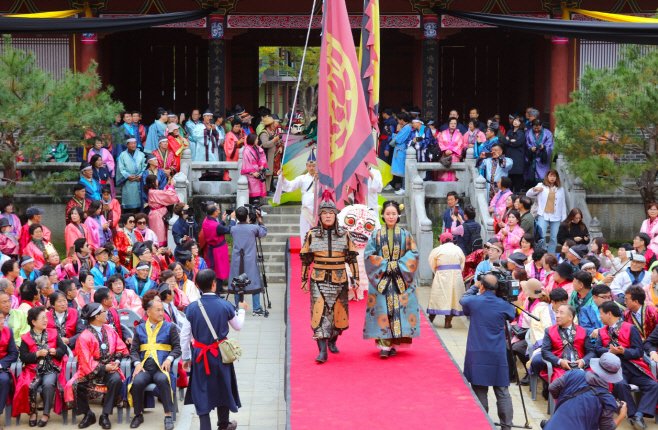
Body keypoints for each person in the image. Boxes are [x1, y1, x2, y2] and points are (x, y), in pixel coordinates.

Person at [181, 269, 245, 430]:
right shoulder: (225, 305)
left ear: (198, 286)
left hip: (199, 356)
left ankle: (205, 426)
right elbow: (238, 326)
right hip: (221, 354)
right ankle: (223, 424)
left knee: (201, 389)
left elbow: (185, 336)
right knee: (223, 386)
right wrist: (242, 309)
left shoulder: (192, 308)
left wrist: (186, 357)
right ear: (214, 284)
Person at [300, 195, 359, 362]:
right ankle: (322, 350)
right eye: (324, 213)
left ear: (335, 216)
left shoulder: (345, 235)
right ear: (319, 216)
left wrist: (355, 278)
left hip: (340, 279)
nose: (327, 216)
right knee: (319, 313)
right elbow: (306, 259)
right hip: (318, 279)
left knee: (338, 315)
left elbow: (352, 258)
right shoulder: (312, 235)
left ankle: (333, 339)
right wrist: (304, 279)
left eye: (330, 213)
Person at [364, 200, 420, 358]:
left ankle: (395, 343)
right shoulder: (376, 234)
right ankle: (384, 345)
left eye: (393, 214)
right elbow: (368, 255)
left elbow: (414, 254)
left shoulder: (405, 235)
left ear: (398, 215)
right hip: (381, 280)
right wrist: (385, 266)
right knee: (383, 310)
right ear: (382, 215)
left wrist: (397, 266)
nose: (390, 216)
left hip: (400, 279)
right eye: (387, 214)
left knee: (398, 311)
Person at [460, 273, 515, 430]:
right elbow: (512, 315)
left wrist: (474, 286)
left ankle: (483, 424)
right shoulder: (503, 304)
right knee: (502, 391)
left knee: (480, 389)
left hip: (477, 353)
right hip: (497, 353)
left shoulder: (473, 301)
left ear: (482, 286)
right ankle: (506, 426)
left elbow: (463, 299)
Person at [65, 302, 129, 430]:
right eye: (103, 311)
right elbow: (85, 361)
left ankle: (105, 415)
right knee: (76, 384)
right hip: (90, 371)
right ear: (97, 317)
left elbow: (121, 347)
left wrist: (116, 360)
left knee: (116, 380)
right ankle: (88, 414)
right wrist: (104, 368)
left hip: (110, 367)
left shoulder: (110, 330)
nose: (106, 312)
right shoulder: (84, 336)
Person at [596, 301, 658, 429]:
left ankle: (638, 415)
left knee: (653, 385)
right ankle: (634, 414)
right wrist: (610, 351)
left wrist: (624, 351)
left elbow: (639, 351)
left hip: (633, 366)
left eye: (601, 314)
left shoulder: (630, 328)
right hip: (614, 369)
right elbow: (597, 348)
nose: (599, 317)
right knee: (620, 384)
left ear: (609, 314)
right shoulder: (602, 331)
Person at [126, 295, 180, 430]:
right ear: (148, 312)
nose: (161, 313)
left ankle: (168, 416)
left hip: (162, 367)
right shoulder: (140, 328)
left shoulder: (170, 327)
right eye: (158, 310)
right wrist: (137, 363)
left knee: (163, 380)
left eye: (162, 310)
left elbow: (177, 348)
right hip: (145, 367)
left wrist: (169, 358)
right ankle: (138, 414)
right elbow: (134, 351)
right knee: (136, 382)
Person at [13, 306, 67, 427]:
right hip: (33, 369)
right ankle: (33, 412)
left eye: (46, 317)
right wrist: (37, 354)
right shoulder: (26, 337)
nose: (46, 320)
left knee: (48, 384)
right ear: (33, 322)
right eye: (42, 318)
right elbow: (24, 357)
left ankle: (46, 414)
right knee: (28, 385)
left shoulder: (53, 332)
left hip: (50, 368)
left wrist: (55, 352)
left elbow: (62, 349)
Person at [543, 352, 626, 430]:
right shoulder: (608, 399)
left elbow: (552, 387)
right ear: (614, 375)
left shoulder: (574, 373)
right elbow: (606, 427)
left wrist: (564, 399)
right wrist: (622, 414)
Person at [227, 207, 267, 316]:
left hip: (237, 259)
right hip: (250, 259)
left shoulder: (234, 229)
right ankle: (256, 308)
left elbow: (231, 229)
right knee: (254, 280)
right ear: (248, 216)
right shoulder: (253, 228)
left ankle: (237, 308)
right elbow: (263, 232)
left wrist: (233, 219)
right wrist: (260, 220)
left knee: (236, 281)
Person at [427, 232, 465, 327]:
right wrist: (456, 271)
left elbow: (432, 262)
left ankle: (431, 318)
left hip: (442, 275)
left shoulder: (437, 250)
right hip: (456, 275)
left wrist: (437, 272)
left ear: (441, 240)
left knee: (438, 297)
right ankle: (448, 322)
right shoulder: (458, 249)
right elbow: (462, 263)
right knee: (453, 298)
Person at [278, 152, 318, 240]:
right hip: (306, 210)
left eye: (313, 166)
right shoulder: (302, 178)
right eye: (309, 166)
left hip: (318, 210)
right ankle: (305, 252)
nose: (311, 168)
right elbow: (291, 185)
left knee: (318, 235)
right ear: (306, 166)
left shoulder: (321, 178)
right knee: (305, 234)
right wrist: (283, 177)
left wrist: (320, 179)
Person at [526, 170, 566, 255]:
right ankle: (543, 253)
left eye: (554, 176)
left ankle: (551, 255)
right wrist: (535, 189)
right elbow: (528, 194)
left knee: (554, 238)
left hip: (556, 216)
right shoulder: (541, 185)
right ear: (547, 176)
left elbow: (563, 204)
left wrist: (564, 218)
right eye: (550, 176)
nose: (552, 178)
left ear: (557, 178)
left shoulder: (560, 189)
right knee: (542, 236)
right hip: (543, 215)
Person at [202, 205, 236, 294]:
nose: (219, 212)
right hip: (219, 251)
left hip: (212, 249)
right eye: (218, 210)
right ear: (214, 213)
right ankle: (216, 293)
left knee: (214, 273)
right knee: (220, 274)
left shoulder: (205, 221)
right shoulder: (216, 225)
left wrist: (223, 221)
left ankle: (216, 292)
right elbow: (230, 230)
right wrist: (232, 219)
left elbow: (216, 230)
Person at [145, 175, 179, 246]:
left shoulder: (152, 191)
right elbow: (167, 195)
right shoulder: (153, 192)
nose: (157, 181)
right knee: (159, 234)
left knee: (160, 233)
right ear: (153, 183)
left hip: (156, 213)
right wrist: (172, 186)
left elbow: (162, 193)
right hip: (158, 215)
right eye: (156, 180)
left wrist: (168, 186)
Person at [116, 137, 146, 211]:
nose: (133, 145)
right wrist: (127, 176)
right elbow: (120, 168)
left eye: (135, 143)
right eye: (131, 143)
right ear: (127, 145)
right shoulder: (122, 155)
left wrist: (141, 175)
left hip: (139, 180)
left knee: (140, 204)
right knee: (129, 202)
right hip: (128, 181)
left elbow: (145, 166)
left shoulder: (141, 154)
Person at [0, 309, 18, 423]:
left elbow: (14, 354)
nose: (3, 322)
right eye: (0, 319)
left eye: (3, 318)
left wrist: (1, 364)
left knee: (4, 380)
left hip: (1, 368)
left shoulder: (8, 331)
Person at [389, 113, 413, 194]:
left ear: (402, 120)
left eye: (399, 119)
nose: (398, 121)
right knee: (402, 170)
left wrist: (397, 132)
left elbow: (398, 140)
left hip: (402, 151)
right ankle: (403, 187)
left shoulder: (407, 128)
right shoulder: (406, 127)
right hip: (400, 150)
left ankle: (404, 188)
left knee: (403, 170)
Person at [501, 115, 526, 192]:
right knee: (510, 176)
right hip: (509, 155)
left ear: (521, 123)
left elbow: (517, 143)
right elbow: (504, 141)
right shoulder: (509, 131)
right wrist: (511, 141)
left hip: (518, 157)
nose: (515, 122)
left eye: (518, 121)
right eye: (514, 120)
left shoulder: (521, 133)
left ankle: (517, 193)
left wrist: (509, 141)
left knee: (517, 176)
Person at [241, 133, 268, 201]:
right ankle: (255, 210)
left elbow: (262, 155)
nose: (257, 140)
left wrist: (262, 164)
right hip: (252, 173)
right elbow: (246, 163)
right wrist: (253, 173)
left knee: (258, 193)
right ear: (252, 140)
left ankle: (258, 209)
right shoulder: (246, 150)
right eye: (256, 139)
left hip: (258, 170)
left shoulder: (256, 147)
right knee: (253, 194)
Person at [258, 116, 280, 192]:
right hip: (266, 156)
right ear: (270, 125)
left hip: (270, 156)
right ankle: (266, 190)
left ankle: (268, 189)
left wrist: (277, 142)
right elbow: (265, 144)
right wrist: (274, 140)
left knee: (270, 173)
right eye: (273, 124)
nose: (274, 125)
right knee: (267, 173)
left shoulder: (270, 132)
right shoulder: (264, 133)